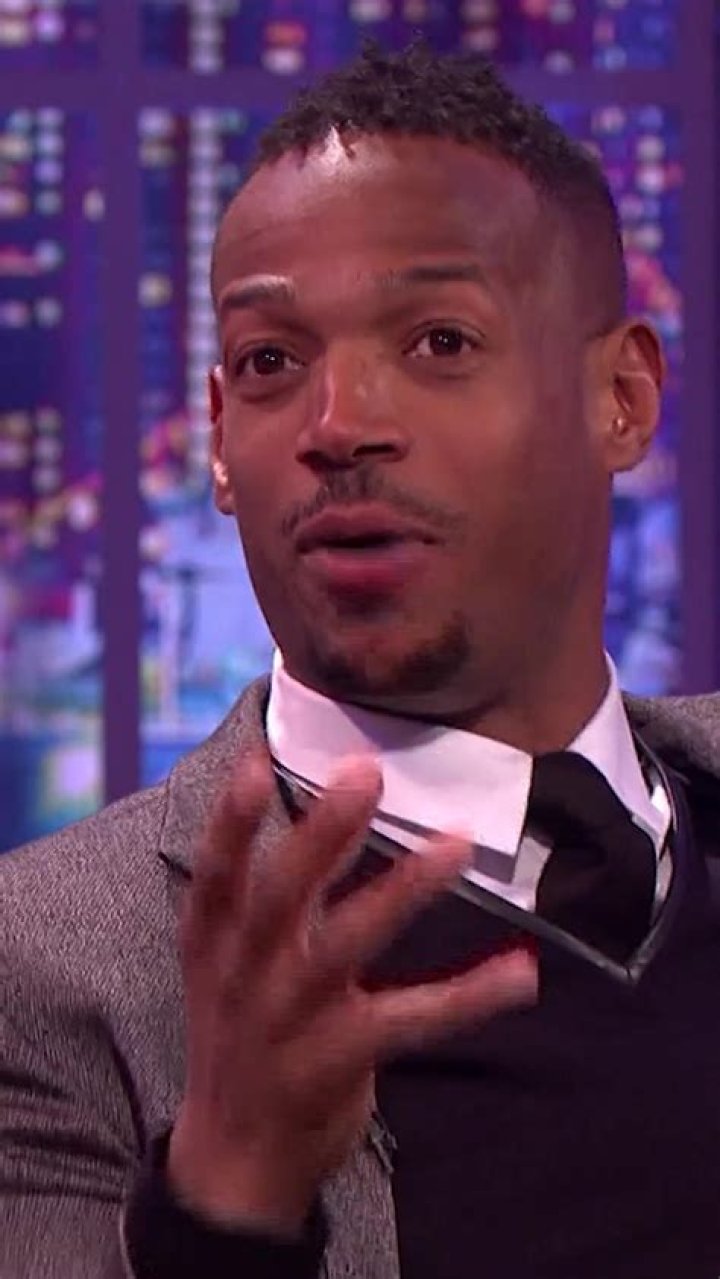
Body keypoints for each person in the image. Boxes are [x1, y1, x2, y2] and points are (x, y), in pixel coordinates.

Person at [2, 39, 720, 1279]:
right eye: (272, 362)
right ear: (218, 440)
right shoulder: (44, 971)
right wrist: (225, 1209)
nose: (338, 426)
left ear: (623, 397)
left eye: (439, 341)